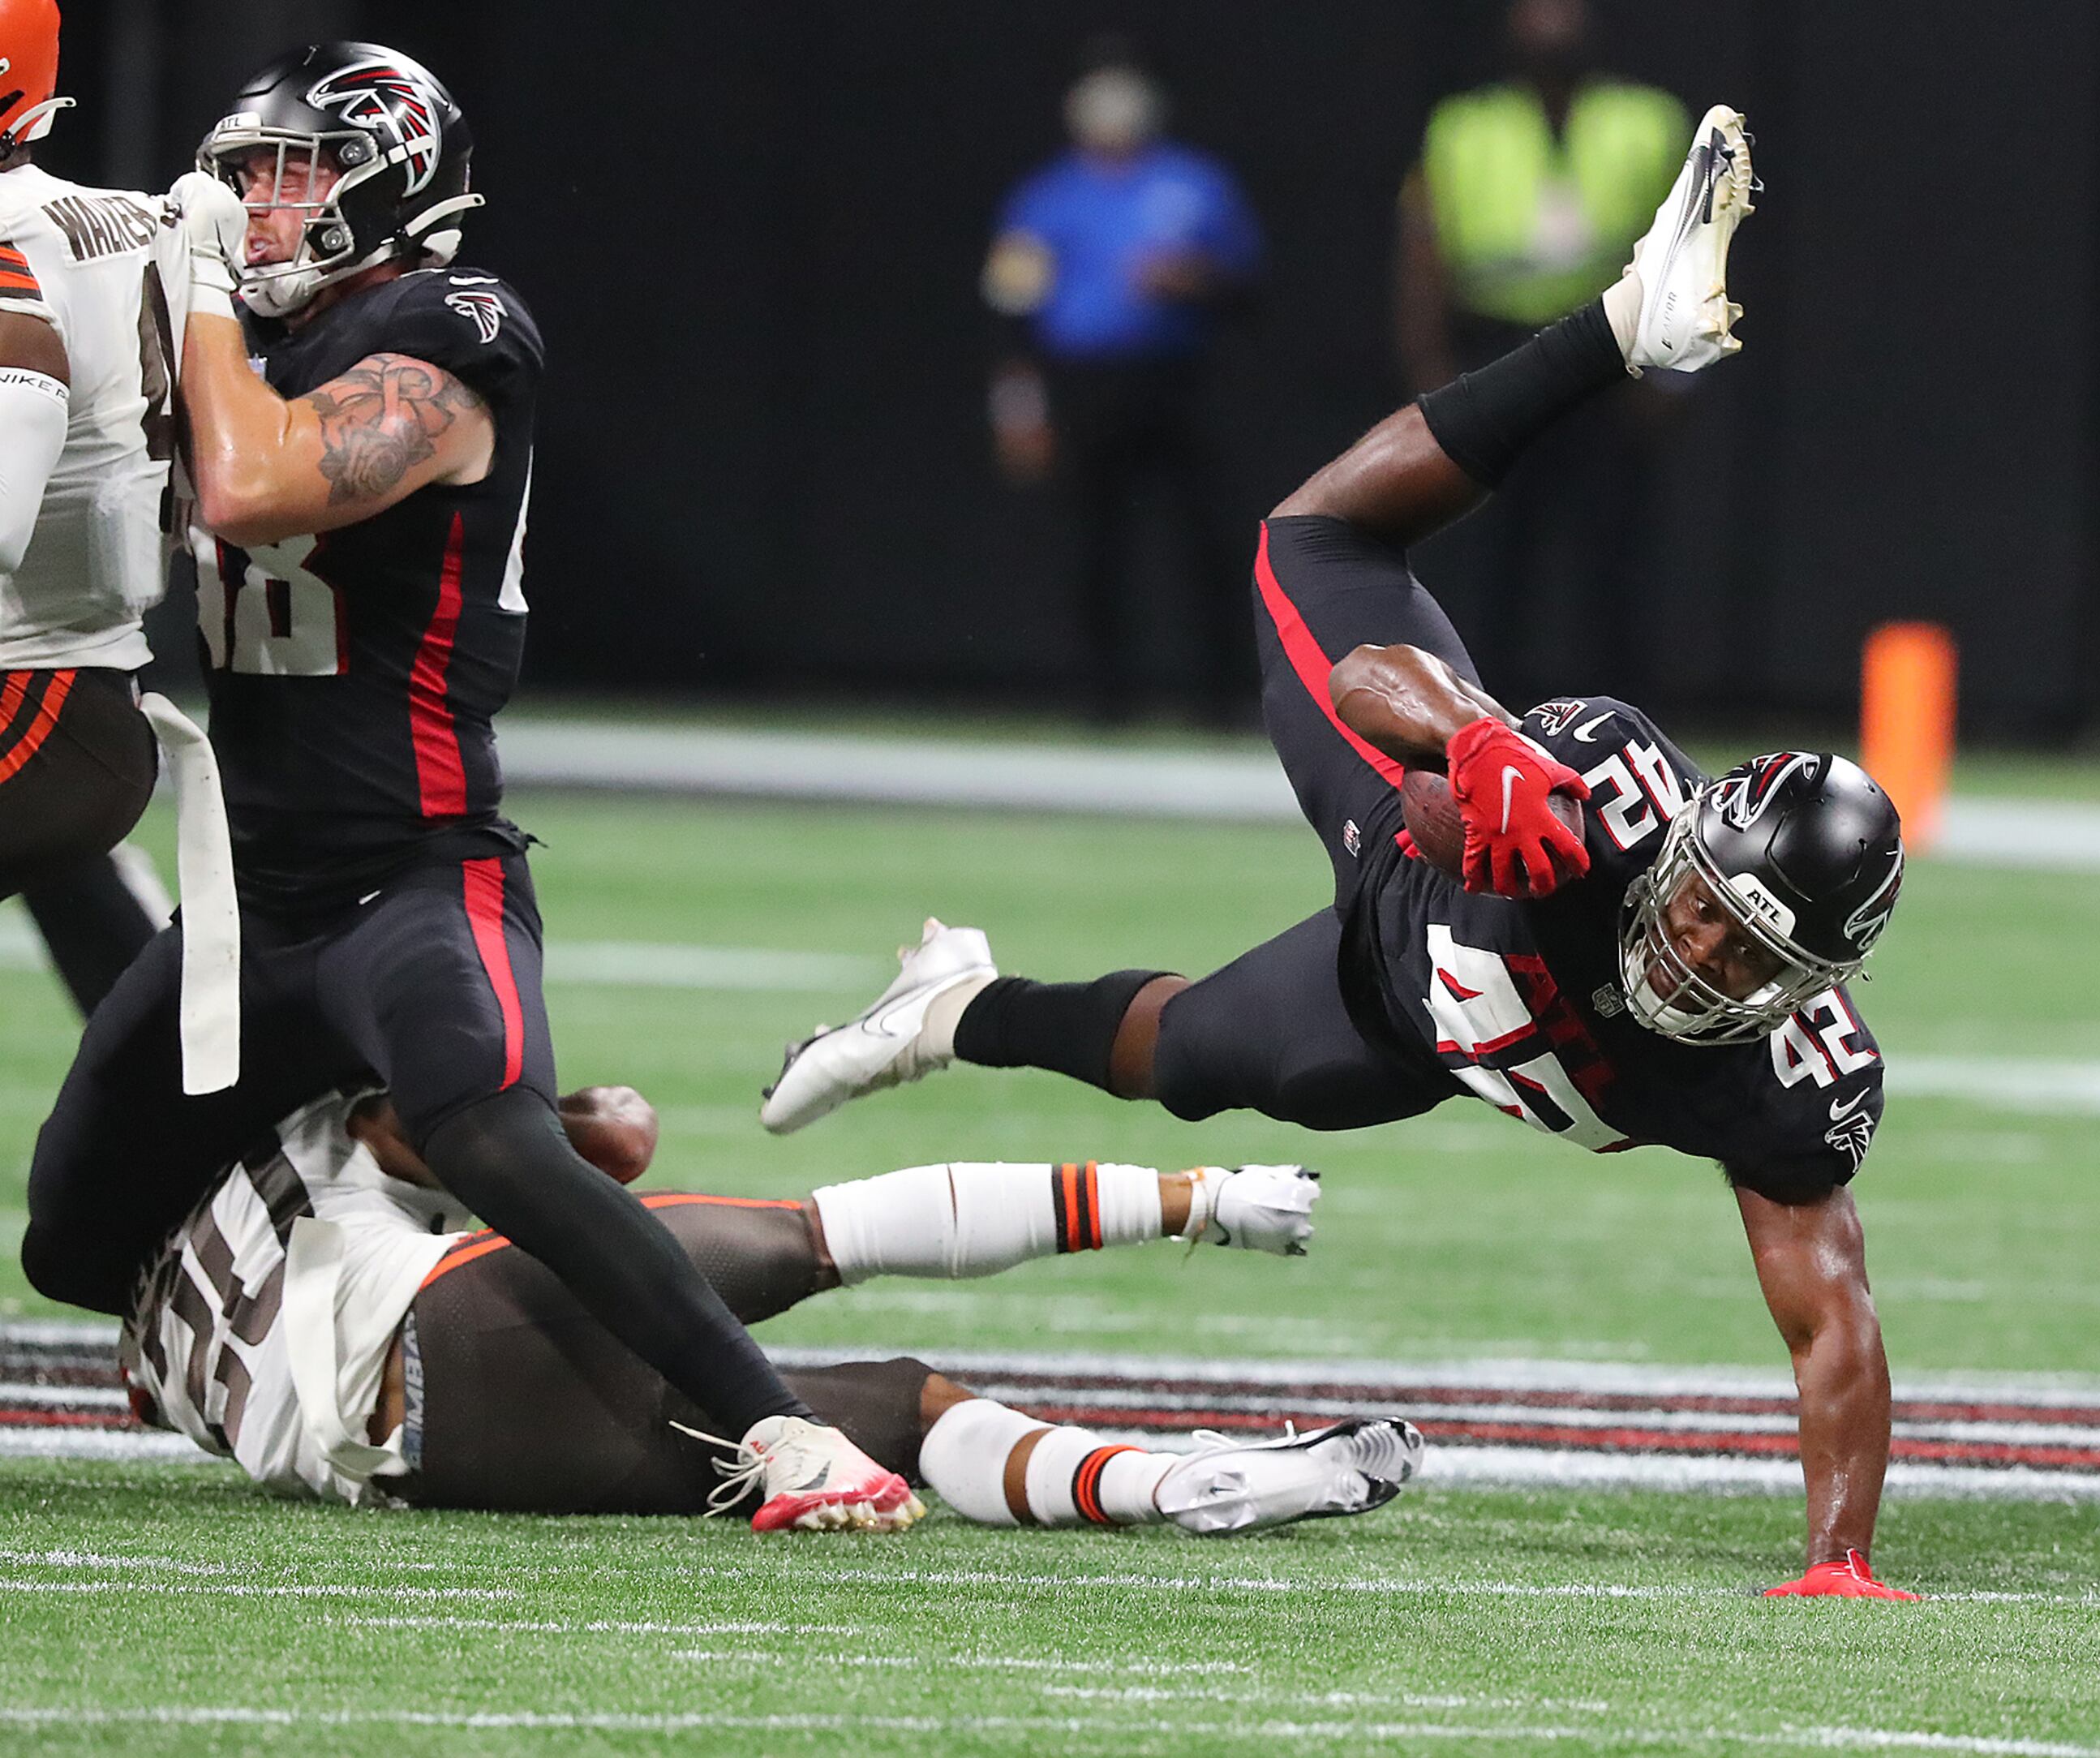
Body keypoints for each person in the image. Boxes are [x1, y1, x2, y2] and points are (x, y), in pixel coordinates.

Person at [770, 111, 1917, 1600]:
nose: (1704, 951)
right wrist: (1476, 742)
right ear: (1685, 849)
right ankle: (1620, 320)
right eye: (1708, 911)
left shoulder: (1797, 1083)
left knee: (1180, 1062)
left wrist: (1843, 1558)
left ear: (1811, 981)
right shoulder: (1596, 804)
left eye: (1753, 954)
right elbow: (1371, 673)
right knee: (1312, 541)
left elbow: (1833, 1320)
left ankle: (948, 1006)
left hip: (1415, 1026)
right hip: (1424, 855)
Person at [24, 44, 917, 1534]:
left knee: (497, 1140)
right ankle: (391, 1123)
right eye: (242, 173)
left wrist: (179, 303)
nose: (253, 204)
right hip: (256, 899)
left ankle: (788, 1431)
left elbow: (253, 485)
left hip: (415, 873)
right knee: (70, 1239)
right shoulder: (238, 325)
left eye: (293, 170)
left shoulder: (447, 330)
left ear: (391, 181)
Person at [123, 1077, 1420, 1529]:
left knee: (907, 1412)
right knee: (820, 1235)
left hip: (424, 1457)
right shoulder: (296, 1134)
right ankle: (1203, 1195)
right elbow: (514, 1137)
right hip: (436, 1319)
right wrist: (573, 1110)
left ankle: (1173, 1483)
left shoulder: (152, 1315)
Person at [1393, 0, 1687, 703]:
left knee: (1614, 549)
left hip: (1609, 351)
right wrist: (1429, 367)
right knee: (1494, 552)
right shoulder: (1463, 127)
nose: (1550, 22)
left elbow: (1688, 249)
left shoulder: (1647, 121)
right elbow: (1422, 248)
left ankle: (1628, 720)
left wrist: (1672, 377)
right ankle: (1481, 716)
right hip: (1499, 349)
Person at [0, 0, 187, 1000]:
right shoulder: (142, 217)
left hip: (33, 668)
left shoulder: (11, 241)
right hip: (96, 654)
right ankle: (274, 1128)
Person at [984, 48, 1260, 720]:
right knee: (1093, 544)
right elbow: (1009, 315)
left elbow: (1245, 285)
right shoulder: (1046, 199)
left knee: (1207, 537)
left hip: (1174, 380)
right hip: (1085, 386)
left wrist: (1194, 281)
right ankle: (1103, 697)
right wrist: (1018, 411)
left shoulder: (1194, 185)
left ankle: (1221, 697)